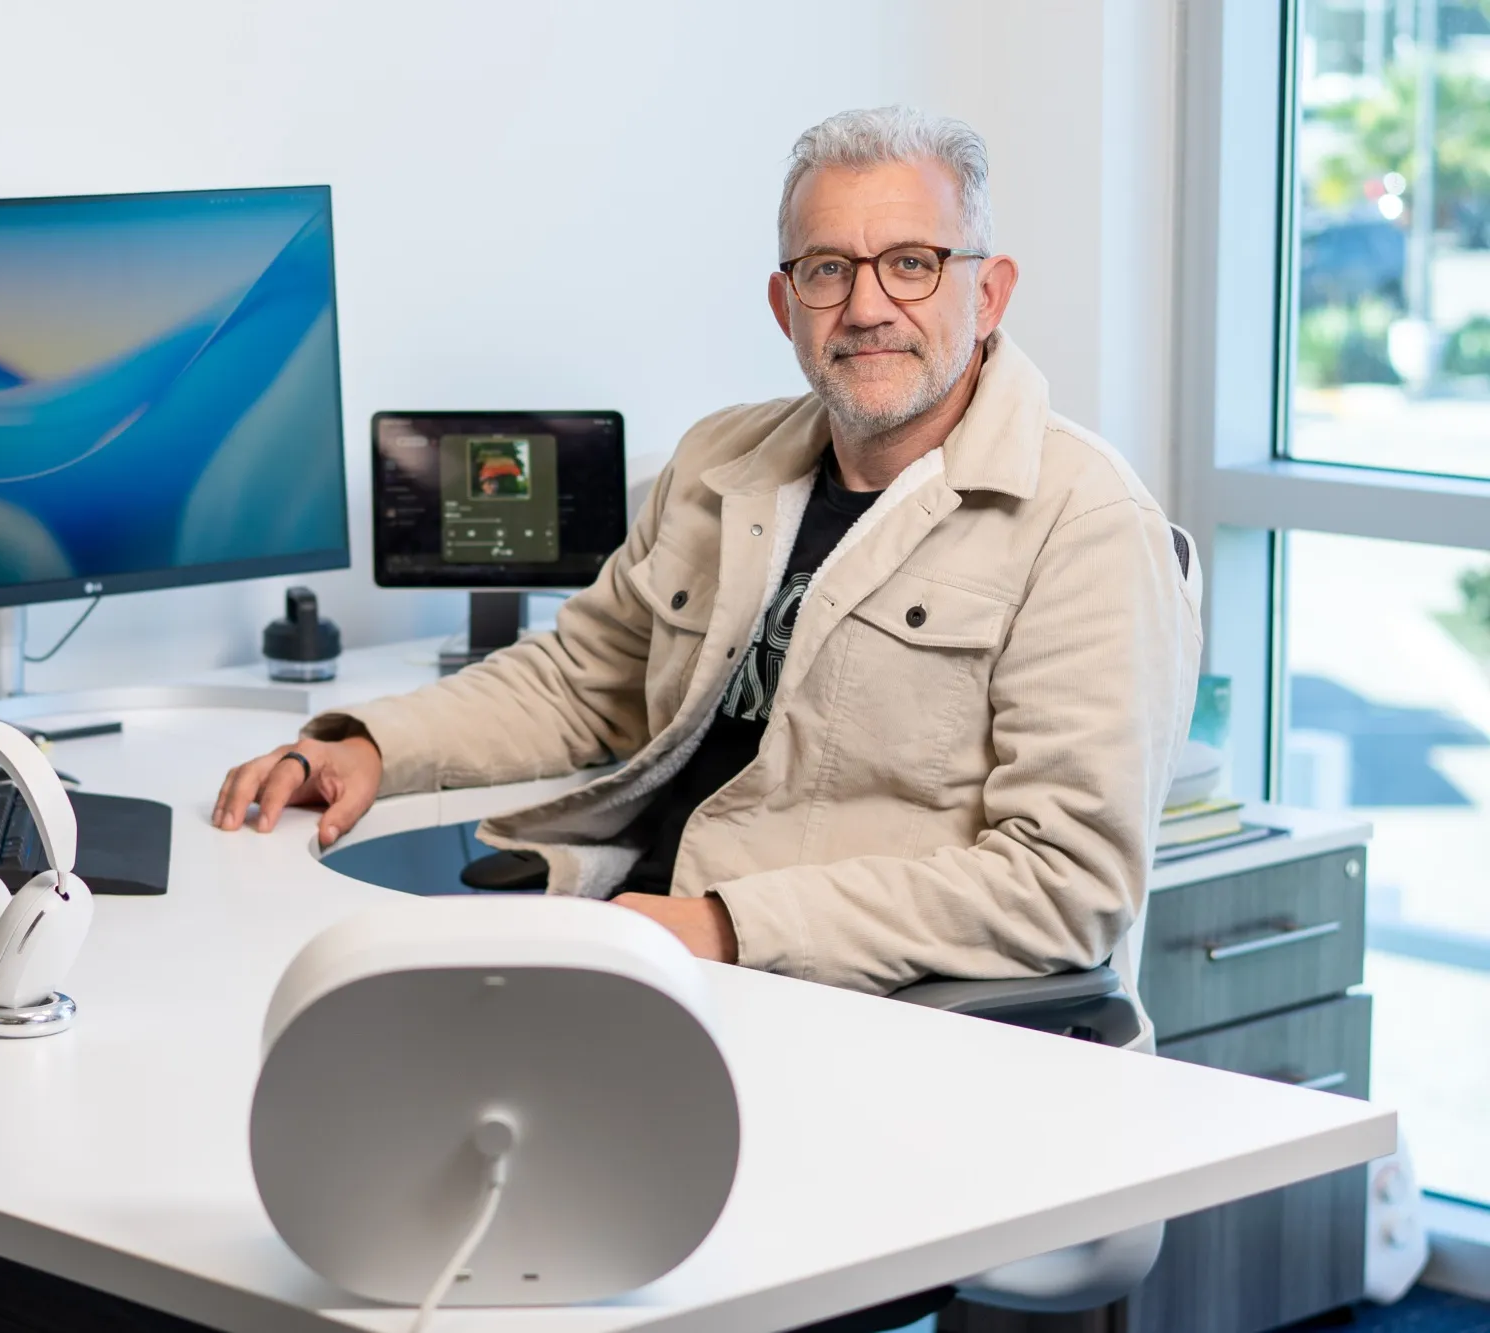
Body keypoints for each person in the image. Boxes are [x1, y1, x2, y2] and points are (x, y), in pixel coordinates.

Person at [213, 105, 1201, 997]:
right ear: (784, 307)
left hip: (845, 1006)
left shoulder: (1084, 523)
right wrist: (372, 748)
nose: (864, 308)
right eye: (827, 269)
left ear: (987, 294)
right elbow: (577, 681)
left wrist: (727, 927)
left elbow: (1063, 884)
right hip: (646, 948)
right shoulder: (720, 461)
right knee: (286, 1008)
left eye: (911, 263)